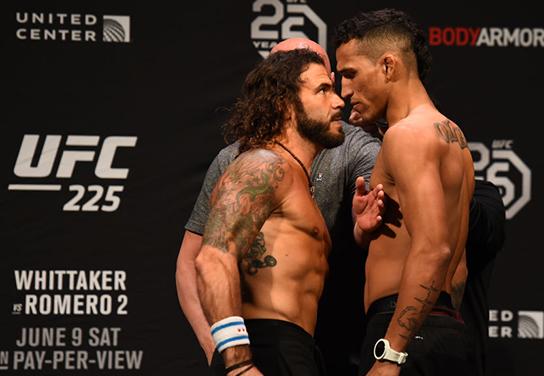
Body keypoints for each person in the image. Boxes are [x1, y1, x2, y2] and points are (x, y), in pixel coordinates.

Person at [175, 38, 382, 374]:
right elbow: (211, 257)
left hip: (297, 349)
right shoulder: (262, 164)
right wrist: (237, 362)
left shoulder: (292, 176)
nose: (338, 101)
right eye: (323, 90)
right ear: (287, 104)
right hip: (267, 348)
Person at [335, 9, 476, 375]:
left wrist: (391, 355)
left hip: (404, 335)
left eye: (350, 74)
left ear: (387, 66)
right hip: (444, 328)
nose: (344, 91)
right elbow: (456, 270)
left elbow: (434, 249)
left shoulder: (406, 136)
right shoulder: (453, 136)